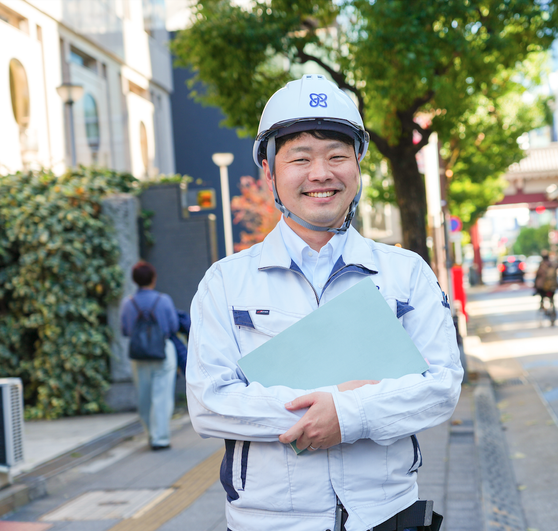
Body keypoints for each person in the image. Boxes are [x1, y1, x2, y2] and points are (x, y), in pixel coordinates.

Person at [186, 74, 463, 531]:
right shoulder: (225, 282)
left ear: (357, 167)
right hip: (268, 521)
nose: (321, 174)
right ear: (270, 173)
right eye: (300, 158)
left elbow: (441, 386)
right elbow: (210, 401)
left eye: (337, 156)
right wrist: (332, 408)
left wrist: (349, 415)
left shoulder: (405, 272)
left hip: (386, 514)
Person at [120, 261, 179, 451]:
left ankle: (150, 434)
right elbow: (173, 327)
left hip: (139, 355)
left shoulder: (128, 302)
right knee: (162, 396)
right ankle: (160, 438)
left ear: (134, 280)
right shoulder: (163, 300)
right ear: (153, 278)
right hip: (163, 350)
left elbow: (125, 331)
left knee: (144, 396)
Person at [533, 250, 558, 320]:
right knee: (552, 298)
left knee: (542, 297)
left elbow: (537, 276)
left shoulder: (541, 265)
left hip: (543, 288)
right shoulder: (553, 265)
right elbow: (556, 276)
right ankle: (552, 309)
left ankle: (543, 307)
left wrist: (535, 286)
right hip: (552, 287)